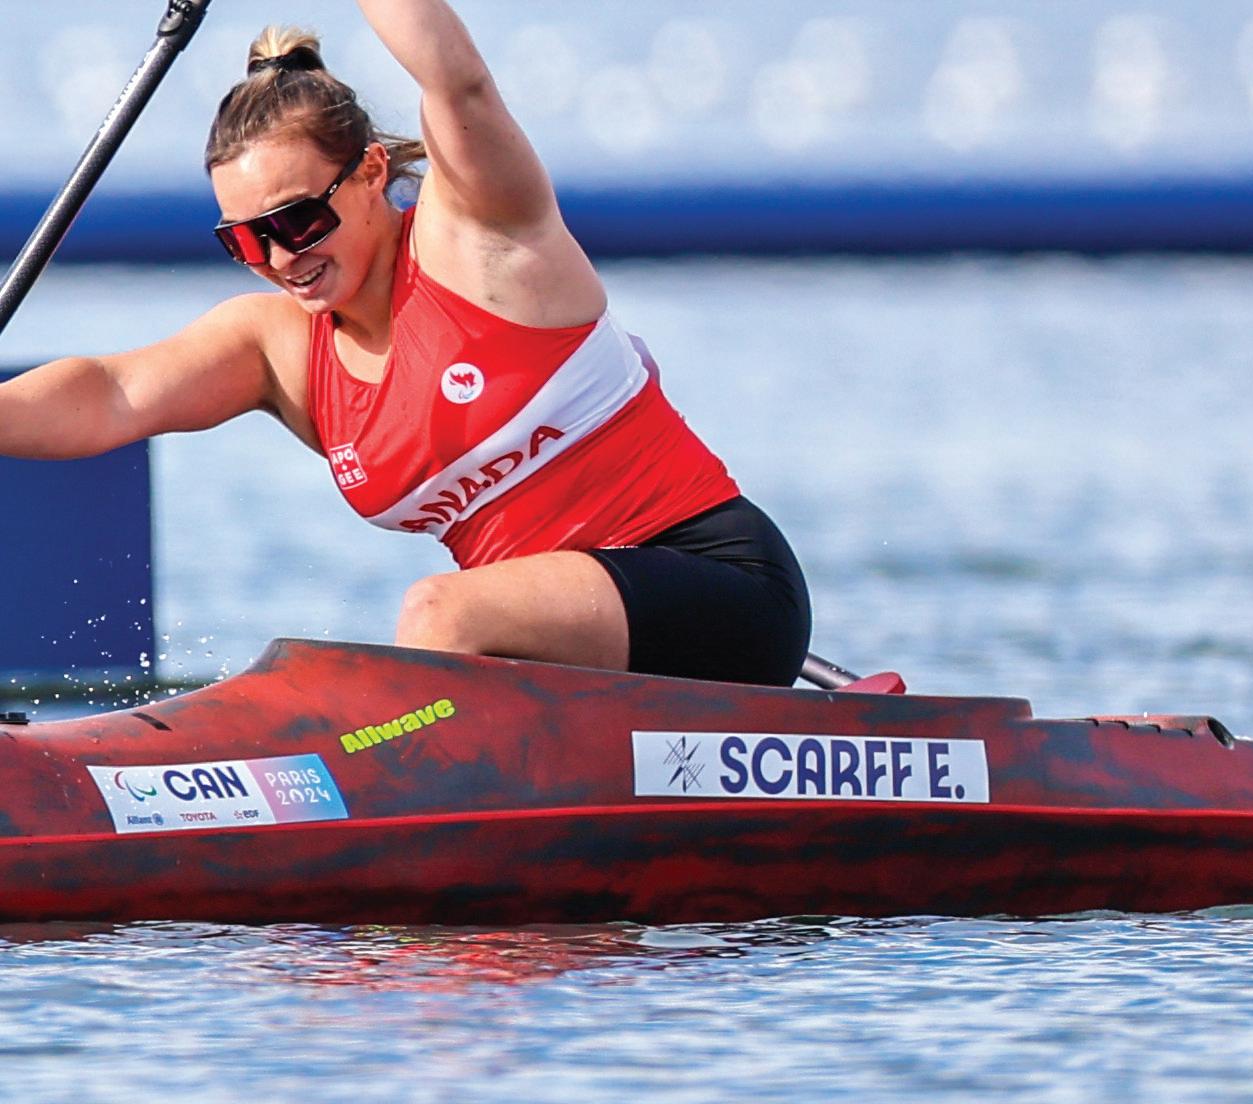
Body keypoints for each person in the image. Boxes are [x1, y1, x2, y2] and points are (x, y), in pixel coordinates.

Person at [0, 1, 811, 687]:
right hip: (566, 655)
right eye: (245, 241)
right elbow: (111, 394)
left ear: (370, 171)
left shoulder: (482, 235)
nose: (280, 258)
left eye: (297, 220)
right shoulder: (279, 349)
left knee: (437, 613)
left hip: (723, 586)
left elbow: (455, 78)